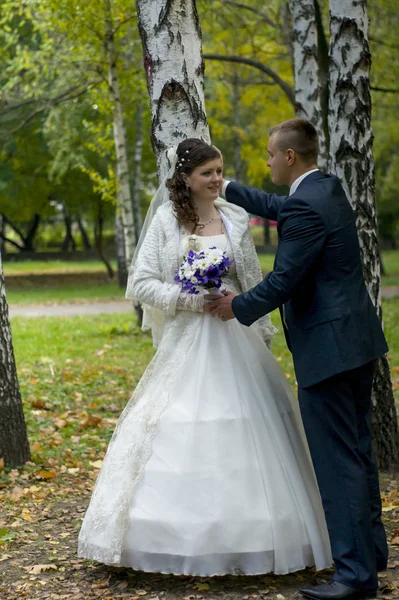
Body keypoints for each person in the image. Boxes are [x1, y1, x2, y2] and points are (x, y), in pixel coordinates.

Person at [78, 138, 332, 577]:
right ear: (186, 179)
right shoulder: (165, 221)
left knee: (252, 426)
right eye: (208, 173)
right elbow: (140, 283)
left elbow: (251, 277)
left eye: (219, 171)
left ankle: (261, 538)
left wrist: (262, 331)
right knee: (178, 426)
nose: (218, 180)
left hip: (236, 339)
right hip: (187, 340)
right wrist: (189, 299)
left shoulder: (235, 218)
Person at [205, 119, 388, 600]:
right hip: (356, 342)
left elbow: (285, 279)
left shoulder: (306, 204)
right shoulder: (326, 189)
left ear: (289, 157)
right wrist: (225, 187)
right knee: (359, 451)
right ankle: (373, 554)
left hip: (327, 350)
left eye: (269, 154)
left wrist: (236, 307)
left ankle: (353, 577)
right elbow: (279, 208)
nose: (266, 162)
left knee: (336, 461)